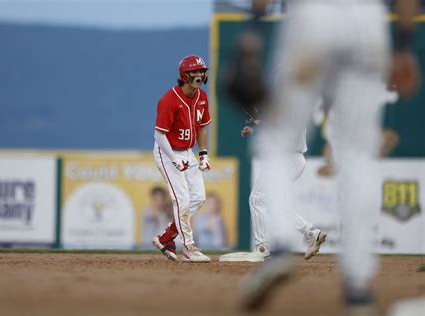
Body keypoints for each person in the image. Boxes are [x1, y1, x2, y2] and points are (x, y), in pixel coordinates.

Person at [237, 0, 420, 314]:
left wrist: (253, 28)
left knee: (277, 140)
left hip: (312, 17)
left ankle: (279, 246)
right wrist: (404, 44)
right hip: (367, 22)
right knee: (359, 157)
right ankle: (358, 289)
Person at [219, 108, 326, 262]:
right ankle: (311, 233)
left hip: (287, 159)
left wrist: (259, 121)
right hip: (293, 159)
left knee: (256, 200)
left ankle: (261, 247)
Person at [151, 55, 212, 263]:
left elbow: (203, 126)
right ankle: (189, 247)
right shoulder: (169, 99)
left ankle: (166, 238)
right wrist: (173, 159)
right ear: (184, 75)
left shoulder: (202, 96)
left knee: (199, 198)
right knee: (182, 200)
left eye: (201, 71)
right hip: (166, 151)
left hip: (187, 151)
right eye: (194, 71)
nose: (199, 75)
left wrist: (203, 153)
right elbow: (159, 135)